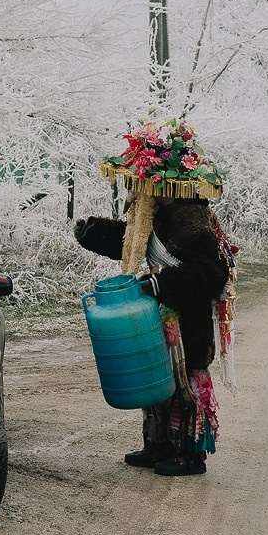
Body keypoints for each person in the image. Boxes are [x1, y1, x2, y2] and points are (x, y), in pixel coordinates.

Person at [75, 198, 233, 477]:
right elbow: (135, 242)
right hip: (162, 310)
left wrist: (162, 283)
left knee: (185, 381)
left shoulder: (190, 217)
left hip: (188, 319)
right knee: (157, 378)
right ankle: (159, 446)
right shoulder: (159, 212)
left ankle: (190, 453)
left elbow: (210, 272)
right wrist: (95, 232)